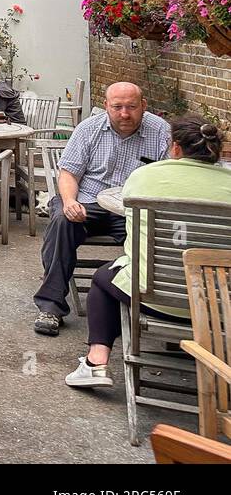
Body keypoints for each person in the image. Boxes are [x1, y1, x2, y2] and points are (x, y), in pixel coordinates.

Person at [65, 117, 231, 388]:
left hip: (154, 297)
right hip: (220, 304)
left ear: (175, 148)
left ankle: (96, 361)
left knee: (104, 278)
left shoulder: (145, 177)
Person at [32, 82, 171, 336]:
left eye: (131, 107)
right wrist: (70, 201)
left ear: (144, 106)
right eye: (117, 107)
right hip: (89, 201)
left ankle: (151, 305)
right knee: (62, 220)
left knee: (159, 234)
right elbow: (68, 174)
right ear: (106, 106)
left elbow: (169, 176)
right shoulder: (89, 129)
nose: (125, 114)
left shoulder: (160, 131)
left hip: (131, 207)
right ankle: (51, 306)